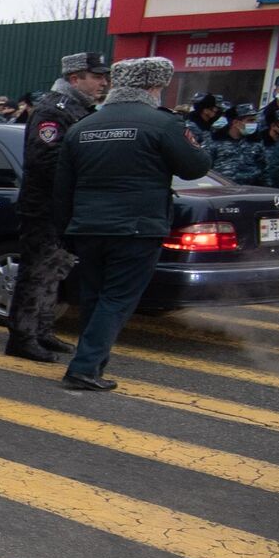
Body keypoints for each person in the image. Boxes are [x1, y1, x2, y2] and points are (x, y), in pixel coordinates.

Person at [53, 57, 212, 390]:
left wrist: (65, 229)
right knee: (117, 299)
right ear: (153, 87)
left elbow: (63, 187)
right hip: (136, 228)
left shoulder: (82, 126)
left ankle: (91, 364)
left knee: (95, 297)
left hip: (87, 227)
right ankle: (83, 368)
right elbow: (195, 167)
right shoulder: (162, 124)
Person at [5, 52, 109, 362]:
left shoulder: (81, 110)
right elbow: (44, 160)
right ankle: (22, 335)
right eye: (97, 76)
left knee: (55, 273)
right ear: (75, 78)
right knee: (36, 272)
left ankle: (43, 331)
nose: (103, 82)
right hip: (44, 207)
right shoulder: (54, 109)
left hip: (66, 208)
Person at [209, 103, 265, 184]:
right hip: (221, 189)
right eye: (250, 120)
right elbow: (204, 168)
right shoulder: (215, 142)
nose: (254, 124)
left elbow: (264, 170)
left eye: (254, 120)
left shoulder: (255, 143)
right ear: (235, 122)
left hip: (249, 191)